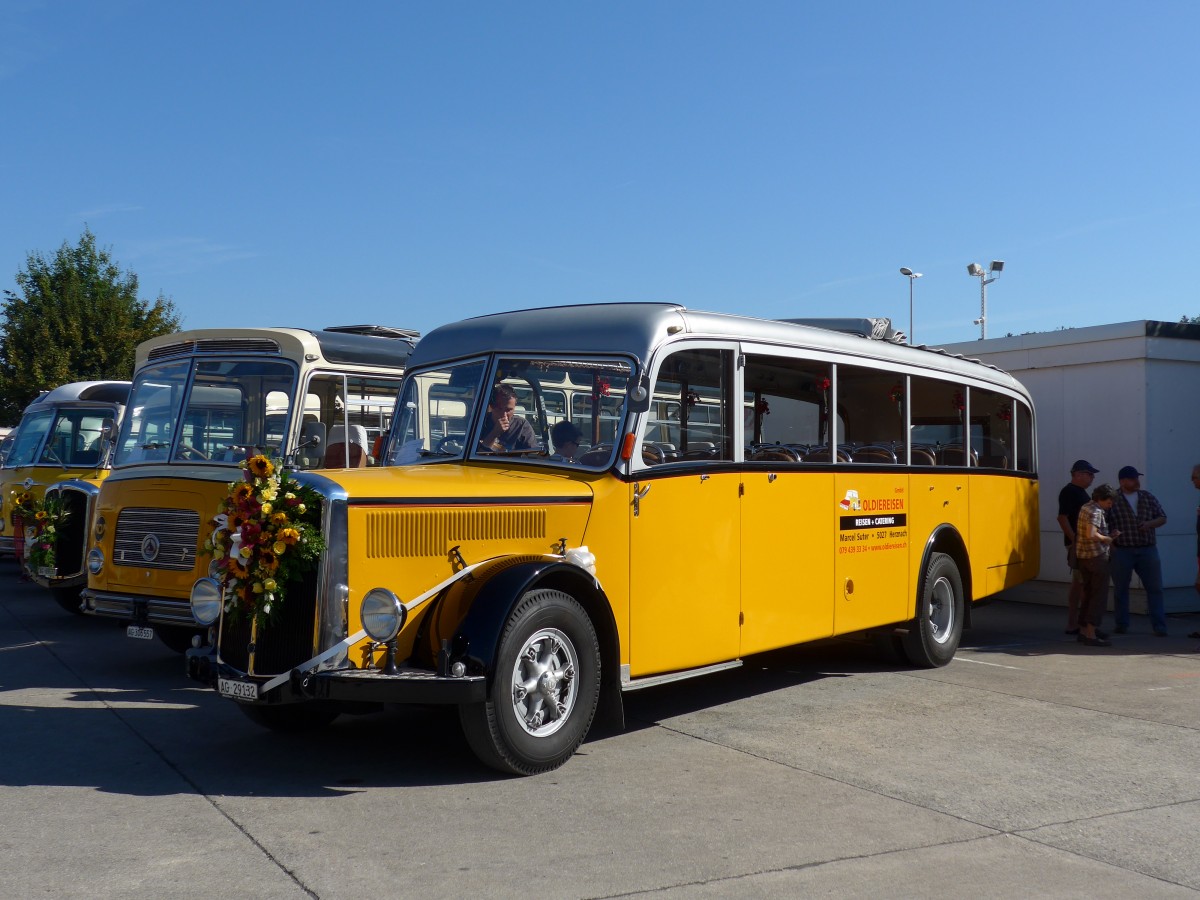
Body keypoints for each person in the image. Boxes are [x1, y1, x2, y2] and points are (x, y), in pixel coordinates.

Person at [1107, 465, 1168, 635]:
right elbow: (1104, 523)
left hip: (1147, 549)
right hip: (1122, 550)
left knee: (1155, 588)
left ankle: (1159, 626)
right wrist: (1111, 545)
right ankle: (1122, 624)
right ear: (1122, 481)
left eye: (1137, 478)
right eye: (1133, 479)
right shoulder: (1113, 499)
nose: (1137, 482)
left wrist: (1150, 524)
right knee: (1120, 588)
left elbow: (1162, 517)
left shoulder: (1147, 497)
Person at [1056, 460, 1098, 635]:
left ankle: (1075, 623)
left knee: (1078, 584)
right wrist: (1075, 540)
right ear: (1078, 474)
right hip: (1079, 546)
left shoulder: (1080, 492)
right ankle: (1081, 625)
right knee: (1083, 584)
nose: (1092, 478)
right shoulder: (1070, 491)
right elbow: (1062, 517)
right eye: (1089, 474)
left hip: (1082, 545)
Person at [1075, 483, 1119, 646]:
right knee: (1098, 596)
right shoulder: (1096, 511)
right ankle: (1091, 634)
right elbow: (1091, 534)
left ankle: (1083, 630)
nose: (1110, 505)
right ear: (1101, 499)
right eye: (1109, 502)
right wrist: (1107, 539)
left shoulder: (1086, 507)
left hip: (1083, 557)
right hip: (1097, 557)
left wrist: (1107, 534)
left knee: (1087, 594)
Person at [478, 384, 538, 452]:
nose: (504, 414)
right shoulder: (480, 423)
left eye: (509, 410)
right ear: (492, 407)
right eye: (499, 409)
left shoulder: (521, 426)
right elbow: (475, 455)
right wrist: (494, 433)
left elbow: (532, 454)